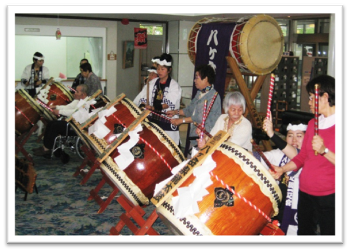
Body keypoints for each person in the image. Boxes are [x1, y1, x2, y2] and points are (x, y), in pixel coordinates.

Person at [270, 75, 335, 235]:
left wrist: (324, 151)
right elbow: (302, 157)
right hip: (305, 191)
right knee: (305, 233)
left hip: (329, 195)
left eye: (313, 98)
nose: (309, 102)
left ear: (325, 97)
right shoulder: (314, 123)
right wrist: (283, 169)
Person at [254, 116, 307, 235]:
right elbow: (256, 157)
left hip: (298, 215)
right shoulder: (279, 154)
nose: (294, 140)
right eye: (290, 135)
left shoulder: (309, 157)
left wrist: (272, 134)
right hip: (277, 212)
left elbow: (296, 156)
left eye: (299, 136)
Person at [166, 64, 221, 156]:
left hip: (205, 139)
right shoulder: (200, 92)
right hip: (195, 137)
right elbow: (189, 110)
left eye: (197, 78)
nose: (195, 80)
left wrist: (181, 121)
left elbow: (199, 117)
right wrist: (176, 112)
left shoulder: (213, 96)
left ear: (205, 79)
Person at [133, 53, 182, 146]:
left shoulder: (174, 86)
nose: (159, 71)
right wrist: (143, 104)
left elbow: (166, 105)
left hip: (167, 122)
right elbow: (142, 97)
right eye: (158, 68)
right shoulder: (152, 83)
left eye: (162, 69)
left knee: (168, 148)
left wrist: (152, 108)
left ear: (169, 70)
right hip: (152, 120)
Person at [32, 84, 90, 159]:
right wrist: (56, 107)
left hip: (76, 127)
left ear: (83, 94)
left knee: (54, 126)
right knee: (51, 123)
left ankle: (47, 148)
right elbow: (68, 107)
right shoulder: (78, 101)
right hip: (71, 123)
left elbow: (74, 112)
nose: (75, 93)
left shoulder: (86, 103)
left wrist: (59, 111)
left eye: (77, 92)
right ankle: (45, 147)